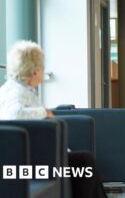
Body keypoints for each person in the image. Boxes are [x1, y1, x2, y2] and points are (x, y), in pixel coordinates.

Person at [0, 40, 107, 198]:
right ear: (35, 71)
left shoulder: (17, 89)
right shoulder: (15, 93)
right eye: (42, 68)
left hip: (33, 158)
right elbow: (13, 115)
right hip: (28, 165)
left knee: (82, 162)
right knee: (85, 162)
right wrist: (44, 112)